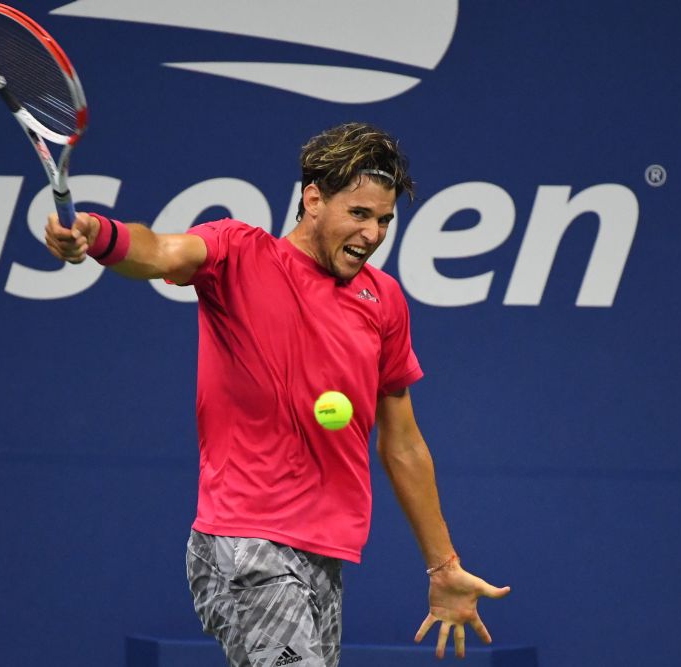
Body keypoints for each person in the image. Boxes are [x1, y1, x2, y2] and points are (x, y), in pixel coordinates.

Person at [44, 122, 510, 666]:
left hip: (322, 554)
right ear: (314, 199)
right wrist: (97, 235)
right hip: (246, 547)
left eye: (384, 219)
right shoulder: (238, 252)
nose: (373, 234)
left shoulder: (382, 300)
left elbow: (401, 443)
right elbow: (160, 251)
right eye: (358, 214)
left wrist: (443, 565)